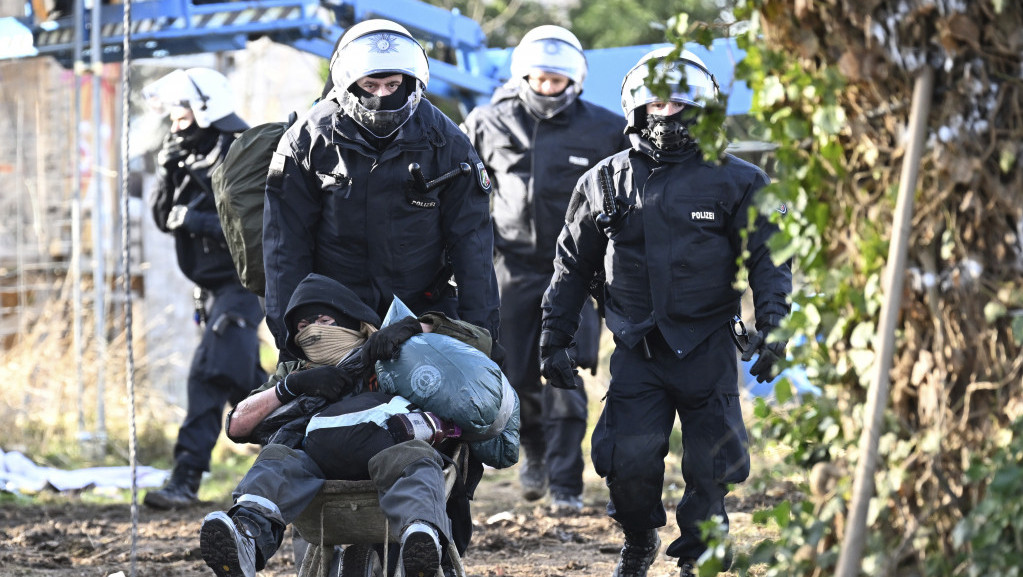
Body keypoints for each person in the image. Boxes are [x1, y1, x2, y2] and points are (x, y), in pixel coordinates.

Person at [539, 47, 792, 577]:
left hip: (709, 345)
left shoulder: (739, 180)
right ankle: (638, 540)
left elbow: (771, 260)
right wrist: (554, 336)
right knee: (626, 465)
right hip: (636, 346)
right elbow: (571, 264)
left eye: (679, 102)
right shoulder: (603, 181)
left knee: (711, 469)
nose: (666, 111)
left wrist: (775, 329)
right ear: (636, 108)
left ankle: (700, 559)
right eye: (655, 101)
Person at [199, 272, 497, 577]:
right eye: (302, 327)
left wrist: (412, 328)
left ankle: (420, 540)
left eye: (324, 321)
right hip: (317, 467)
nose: (312, 331)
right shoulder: (297, 370)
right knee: (276, 460)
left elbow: (481, 342)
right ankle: (247, 537)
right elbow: (236, 425)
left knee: (414, 459)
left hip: (390, 455)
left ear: (352, 321)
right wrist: (291, 386)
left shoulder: (393, 351)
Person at [460, 25, 629, 514]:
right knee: (516, 375)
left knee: (566, 372)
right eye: (540, 78)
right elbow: (463, 193)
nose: (548, 88)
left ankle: (567, 485)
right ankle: (532, 450)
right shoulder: (487, 122)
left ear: (573, 80)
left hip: (576, 272)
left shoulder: (603, 128)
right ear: (523, 75)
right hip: (508, 269)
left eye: (558, 80)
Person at [263, 19, 501, 362]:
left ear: (411, 81)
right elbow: (284, 251)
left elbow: (473, 247)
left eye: (393, 84)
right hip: (333, 319)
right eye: (370, 84)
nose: (381, 96)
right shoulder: (306, 143)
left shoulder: (448, 143)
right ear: (348, 82)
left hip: (422, 318)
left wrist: (483, 335)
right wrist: (290, 343)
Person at [141, 67, 268, 510]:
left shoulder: (241, 150)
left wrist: (194, 220)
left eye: (183, 108)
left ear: (207, 107)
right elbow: (162, 217)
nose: (176, 117)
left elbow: (257, 225)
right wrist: (166, 168)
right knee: (242, 380)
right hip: (211, 291)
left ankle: (186, 479)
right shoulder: (183, 153)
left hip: (244, 284)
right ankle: (300, 442)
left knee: (207, 372)